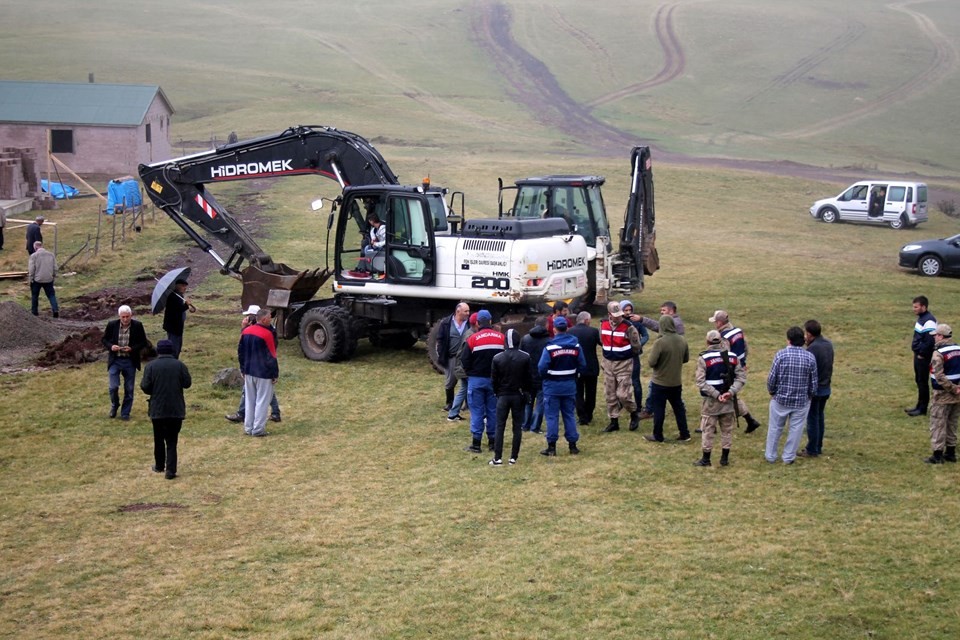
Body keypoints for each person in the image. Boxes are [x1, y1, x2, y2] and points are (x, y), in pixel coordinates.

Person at [140, 339, 192, 479]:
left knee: (158, 438)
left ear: (159, 351)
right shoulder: (180, 365)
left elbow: (145, 386)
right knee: (172, 440)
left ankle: (159, 465)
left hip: (157, 408)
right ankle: (170, 470)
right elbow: (187, 383)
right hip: (176, 409)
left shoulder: (151, 366)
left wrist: (155, 390)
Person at [765, 326, 818, 464]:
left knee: (775, 427)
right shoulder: (810, 357)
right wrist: (810, 395)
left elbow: (772, 378)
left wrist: (772, 391)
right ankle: (788, 457)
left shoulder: (780, 355)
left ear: (788, 340)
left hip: (780, 399)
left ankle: (770, 455)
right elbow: (813, 381)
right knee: (796, 430)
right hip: (801, 401)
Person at [694, 330, 746, 467]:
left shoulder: (704, 358)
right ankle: (724, 458)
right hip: (729, 400)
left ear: (708, 342)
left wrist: (716, 394)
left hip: (710, 401)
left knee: (708, 430)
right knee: (727, 430)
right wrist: (731, 392)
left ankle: (706, 458)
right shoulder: (733, 357)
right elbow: (741, 378)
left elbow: (700, 382)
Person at [538, 316, 587, 456]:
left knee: (552, 416)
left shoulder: (550, 347)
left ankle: (551, 447)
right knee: (569, 415)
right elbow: (582, 365)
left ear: (554, 329)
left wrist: (547, 376)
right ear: (567, 328)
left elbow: (541, 367)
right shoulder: (576, 346)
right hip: (569, 385)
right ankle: (573, 445)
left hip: (552, 386)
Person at [226, 305, 281, 424]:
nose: (248, 318)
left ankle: (248, 420)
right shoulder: (268, 330)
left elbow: (242, 347)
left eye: (250, 316)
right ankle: (274, 413)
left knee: (254, 396)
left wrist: (244, 329)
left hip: (255, 369)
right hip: (261, 369)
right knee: (266, 392)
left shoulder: (263, 332)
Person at [709, 310, 762, 433]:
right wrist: (743, 363)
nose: (715, 324)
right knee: (729, 396)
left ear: (720, 322)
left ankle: (711, 425)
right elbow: (745, 348)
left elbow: (725, 356)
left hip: (731, 370)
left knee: (718, 394)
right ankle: (750, 420)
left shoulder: (724, 337)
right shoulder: (738, 331)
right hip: (739, 367)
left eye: (715, 322)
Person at [461, 310, 504, 453]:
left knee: (477, 411)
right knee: (493, 411)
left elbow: (465, 360)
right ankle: (493, 442)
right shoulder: (501, 338)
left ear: (478, 323)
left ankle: (476, 444)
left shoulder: (472, 339)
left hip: (476, 380)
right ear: (491, 322)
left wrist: (471, 373)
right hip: (495, 381)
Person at [643, 315, 690, 442]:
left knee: (659, 409)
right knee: (678, 408)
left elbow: (651, 362)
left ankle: (658, 435)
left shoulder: (660, 342)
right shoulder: (682, 340)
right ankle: (685, 433)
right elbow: (686, 359)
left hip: (660, 382)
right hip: (676, 382)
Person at [490, 328, 533, 465]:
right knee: (517, 426)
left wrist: (497, 392)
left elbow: (494, 380)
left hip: (503, 395)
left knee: (500, 426)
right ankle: (514, 457)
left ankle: (497, 457)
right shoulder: (525, 357)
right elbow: (528, 378)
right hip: (518, 395)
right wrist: (526, 392)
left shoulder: (497, 358)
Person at [636, 300, 685, 419]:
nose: (661, 313)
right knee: (672, 390)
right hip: (670, 362)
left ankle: (649, 410)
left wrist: (642, 319)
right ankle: (678, 408)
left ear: (671, 311)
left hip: (667, 363)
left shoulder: (674, 324)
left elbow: (657, 326)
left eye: (664, 311)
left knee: (655, 386)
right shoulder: (674, 323)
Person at [600, 301, 642, 432]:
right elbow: (602, 341)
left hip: (623, 364)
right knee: (610, 394)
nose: (618, 318)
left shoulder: (628, 327)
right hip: (608, 363)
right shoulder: (603, 325)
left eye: (620, 315)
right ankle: (614, 421)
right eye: (615, 315)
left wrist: (627, 356)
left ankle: (634, 413)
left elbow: (636, 346)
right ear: (609, 315)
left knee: (623, 395)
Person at [102, 305, 149, 420]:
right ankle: (115, 404)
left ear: (131, 316)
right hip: (115, 360)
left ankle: (125, 413)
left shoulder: (137, 326)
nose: (125, 319)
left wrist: (132, 348)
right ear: (119, 316)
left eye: (127, 316)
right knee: (113, 387)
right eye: (123, 317)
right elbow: (104, 339)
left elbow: (143, 342)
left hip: (130, 361)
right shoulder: (112, 325)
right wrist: (111, 346)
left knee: (129, 388)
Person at [238, 307, 279, 437]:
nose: (271, 320)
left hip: (249, 371)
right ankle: (258, 429)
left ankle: (248, 427)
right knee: (262, 401)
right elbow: (272, 355)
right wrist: (274, 374)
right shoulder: (267, 334)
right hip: (263, 372)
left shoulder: (246, 331)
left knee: (250, 400)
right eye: (270, 318)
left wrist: (243, 369)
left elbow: (240, 352)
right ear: (264, 319)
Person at [925, 324, 960, 464]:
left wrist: (952, 388)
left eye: (935, 335)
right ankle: (951, 452)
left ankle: (937, 455)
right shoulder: (958, 349)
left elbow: (939, 376)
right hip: (958, 394)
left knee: (938, 423)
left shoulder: (938, 353)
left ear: (940, 336)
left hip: (942, 394)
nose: (934, 338)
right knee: (952, 423)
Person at [800, 319, 834, 457]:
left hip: (816, 389)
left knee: (812, 419)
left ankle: (812, 448)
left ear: (809, 334)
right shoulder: (828, 344)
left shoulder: (813, 349)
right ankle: (818, 446)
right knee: (819, 417)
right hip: (826, 387)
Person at [436, 302, 470, 419]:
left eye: (468, 311)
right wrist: (441, 354)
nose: (468, 313)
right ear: (458, 311)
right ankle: (449, 403)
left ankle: (467, 404)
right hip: (451, 357)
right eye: (466, 311)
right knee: (451, 380)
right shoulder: (446, 323)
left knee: (465, 380)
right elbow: (440, 340)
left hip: (465, 357)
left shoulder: (469, 323)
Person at [568, 310, 601, 426]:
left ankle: (582, 416)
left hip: (576, 366)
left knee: (578, 392)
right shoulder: (593, 331)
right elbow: (602, 343)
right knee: (591, 392)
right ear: (587, 320)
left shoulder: (570, 332)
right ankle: (589, 414)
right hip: (591, 366)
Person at [520, 316, 551, 433]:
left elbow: (521, 355)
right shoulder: (548, 341)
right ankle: (535, 426)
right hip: (542, 375)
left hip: (528, 375)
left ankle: (525, 424)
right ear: (546, 325)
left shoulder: (525, 339)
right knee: (540, 403)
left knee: (528, 401)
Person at [907, 296, 937, 417]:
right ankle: (919, 405)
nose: (914, 309)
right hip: (918, 355)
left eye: (916, 307)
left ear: (923, 307)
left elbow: (929, 341)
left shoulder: (929, 321)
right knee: (919, 380)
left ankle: (922, 408)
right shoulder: (922, 319)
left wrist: (921, 354)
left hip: (923, 357)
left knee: (923, 381)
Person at [619, 300, 650, 413]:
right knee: (621, 381)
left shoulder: (636, 322)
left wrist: (638, 345)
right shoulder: (619, 322)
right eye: (625, 310)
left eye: (629, 310)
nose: (628, 312)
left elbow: (646, 335)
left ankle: (638, 406)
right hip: (621, 355)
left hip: (633, 355)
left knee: (635, 381)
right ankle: (621, 403)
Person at [162, 277, 195, 358]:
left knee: (177, 347)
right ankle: (173, 364)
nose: (185, 288)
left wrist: (187, 306)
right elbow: (178, 310)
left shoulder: (178, 295)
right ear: (178, 286)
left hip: (177, 328)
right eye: (183, 286)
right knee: (174, 349)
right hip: (174, 328)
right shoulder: (174, 297)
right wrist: (186, 305)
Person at [27, 241, 59, 318]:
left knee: (35, 295)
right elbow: (55, 267)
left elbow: (31, 269)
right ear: (41, 246)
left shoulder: (34, 256)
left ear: (35, 247)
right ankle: (55, 310)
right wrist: (54, 275)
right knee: (51, 295)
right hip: (48, 279)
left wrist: (31, 278)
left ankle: (34, 312)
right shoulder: (51, 255)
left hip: (37, 279)